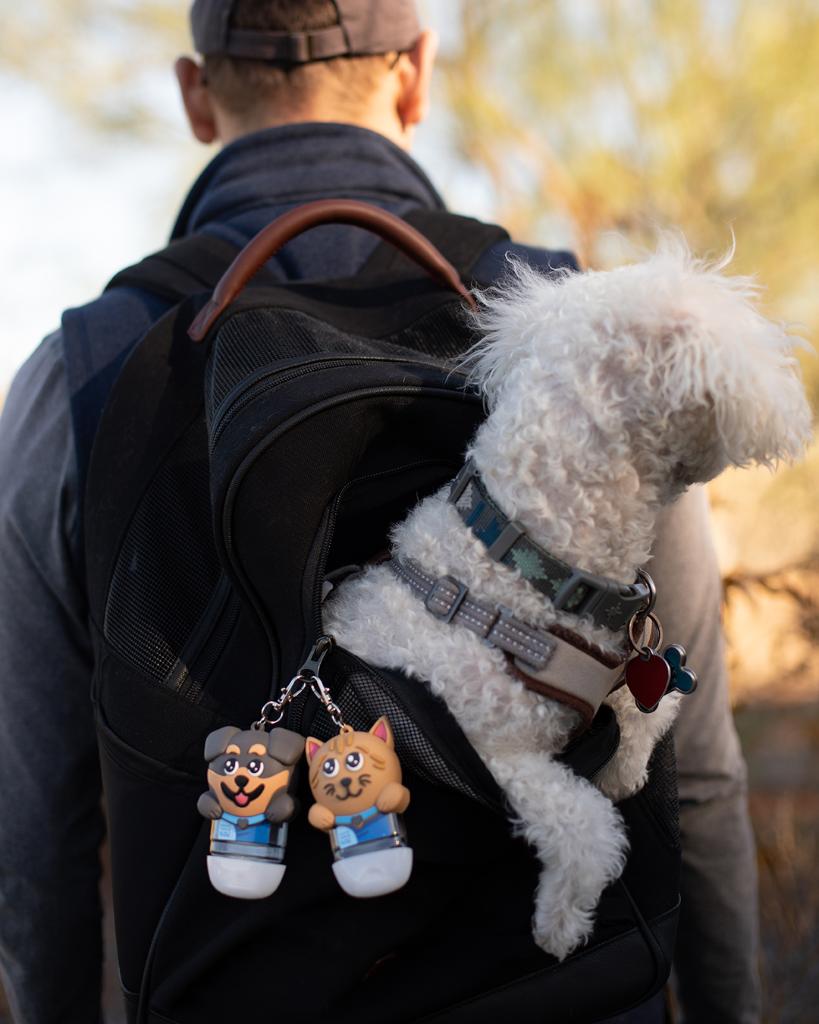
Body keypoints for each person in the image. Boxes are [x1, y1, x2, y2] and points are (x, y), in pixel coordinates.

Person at [0, 2, 760, 1021]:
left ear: (194, 94)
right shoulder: (602, 338)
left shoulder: (85, 374)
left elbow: (39, 828)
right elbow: (692, 762)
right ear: (415, 75)